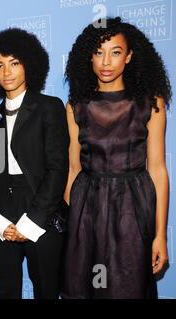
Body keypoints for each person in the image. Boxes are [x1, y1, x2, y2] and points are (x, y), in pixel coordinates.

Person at [62, 17, 171, 299]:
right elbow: (73, 169)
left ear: (130, 56)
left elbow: (158, 170)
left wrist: (160, 235)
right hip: (86, 209)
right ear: (89, 57)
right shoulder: (75, 105)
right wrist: (69, 228)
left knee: (128, 289)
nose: (106, 62)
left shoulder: (151, 102)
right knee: (85, 288)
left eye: (115, 52)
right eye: (98, 52)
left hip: (132, 209)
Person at [0, 28, 69, 299]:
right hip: (3, 218)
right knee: (6, 291)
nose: (7, 72)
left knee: (46, 290)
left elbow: (57, 169)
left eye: (14, 63)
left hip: (42, 212)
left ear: (29, 64)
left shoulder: (49, 107)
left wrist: (31, 222)